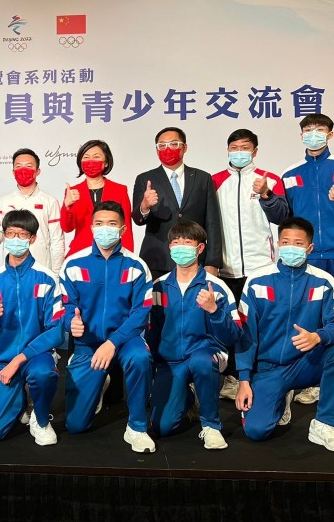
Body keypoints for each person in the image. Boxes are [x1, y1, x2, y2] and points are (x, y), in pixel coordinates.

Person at [261, 114, 334, 411]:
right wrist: (267, 196)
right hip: (307, 257)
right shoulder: (290, 173)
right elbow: (282, 217)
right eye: (308, 130)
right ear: (301, 135)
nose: (314, 134)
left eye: (320, 129)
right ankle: (314, 381)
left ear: (330, 134)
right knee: (310, 322)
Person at [235, 217, 334, 452]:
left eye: (298, 243)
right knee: (256, 431)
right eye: (285, 242)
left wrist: (318, 337)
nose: (291, 247)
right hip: (269, 369)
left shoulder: (324, 281)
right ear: (278, 244)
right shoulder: (257, 281)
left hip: (306, 363)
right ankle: (281, 397)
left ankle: (324, 425)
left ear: (309, 248)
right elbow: (245, 335)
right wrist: (244, 380)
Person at [59, 201, 155, 453]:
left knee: (140, 357)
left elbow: (140, 313)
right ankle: (100, 383)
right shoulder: (73, 264)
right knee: (76, 425)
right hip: (88, 345)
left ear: (123, 229)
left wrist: (113, 342)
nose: (105, 229)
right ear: (91, 227)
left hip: (125, 341)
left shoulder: (136, 266)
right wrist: (71, 322)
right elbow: (66, 306)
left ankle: (137, 427)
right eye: (99, 223)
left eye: (112, 224)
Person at [148, 221, 240, 450]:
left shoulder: (216, 287)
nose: (180, 247)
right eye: (176, 242)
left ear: (200, 248)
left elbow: (234, 335)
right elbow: (151, 332)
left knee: (201, 361)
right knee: (162, 427)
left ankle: (211, 425)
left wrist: (214, 311)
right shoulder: (158, 287)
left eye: (187, 242)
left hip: (205, 354)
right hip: (170, 361)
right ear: (170, 247)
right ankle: (188, 396)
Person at [210, 129, 288, 401]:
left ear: (255, 151)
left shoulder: (270, 179)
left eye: (245, 147)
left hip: (260, 268)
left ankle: (263, 374)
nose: (239, 152)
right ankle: (233, 376)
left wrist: (266, 194)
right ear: (227, 150)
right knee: (232, 325)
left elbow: (282, 217)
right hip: (225, 269)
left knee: (261, 325)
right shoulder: (215, 181)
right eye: (234, 147)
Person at [0, 210, 65, 446]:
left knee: (43, 373)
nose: (15, 239)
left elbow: (56, 331)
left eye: (22, 234)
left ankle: (40, 417)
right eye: (10, 233)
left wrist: (19, 360)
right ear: (4, 236)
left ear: (32, 238)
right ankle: (19, 398)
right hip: (4, 361)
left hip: (38, 357)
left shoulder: (47, 279)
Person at [132, 127, 222, 280]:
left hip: (196, 259)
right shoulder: (145, 179)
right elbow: (137, 219)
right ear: (156, 150)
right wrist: (144, 206)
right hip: (158, 260)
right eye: (162, 145)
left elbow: (213, 223)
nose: (168, 149)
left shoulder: (203, 178)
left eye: (174, 144)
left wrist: (212, 262)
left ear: (185, 147)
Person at [0, 148, 66, 272]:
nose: (23, 170)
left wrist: (56, 274)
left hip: (41, 270)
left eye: (29, 166)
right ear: (13, 172)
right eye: (18, 166)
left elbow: (57, 242)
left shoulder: (50, 201)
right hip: (11, 270)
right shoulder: (4, 201)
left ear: (38, 171)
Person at [61, 140, 133, 256]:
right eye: (86, 157)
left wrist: (127, 258)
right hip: (81, 251)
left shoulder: (120, 190)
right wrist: (67, 207)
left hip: (112, 252)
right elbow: (67, 228)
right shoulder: (72, 191)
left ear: (106, 162)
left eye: (96, 157)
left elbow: (127, 229)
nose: (90, 161)